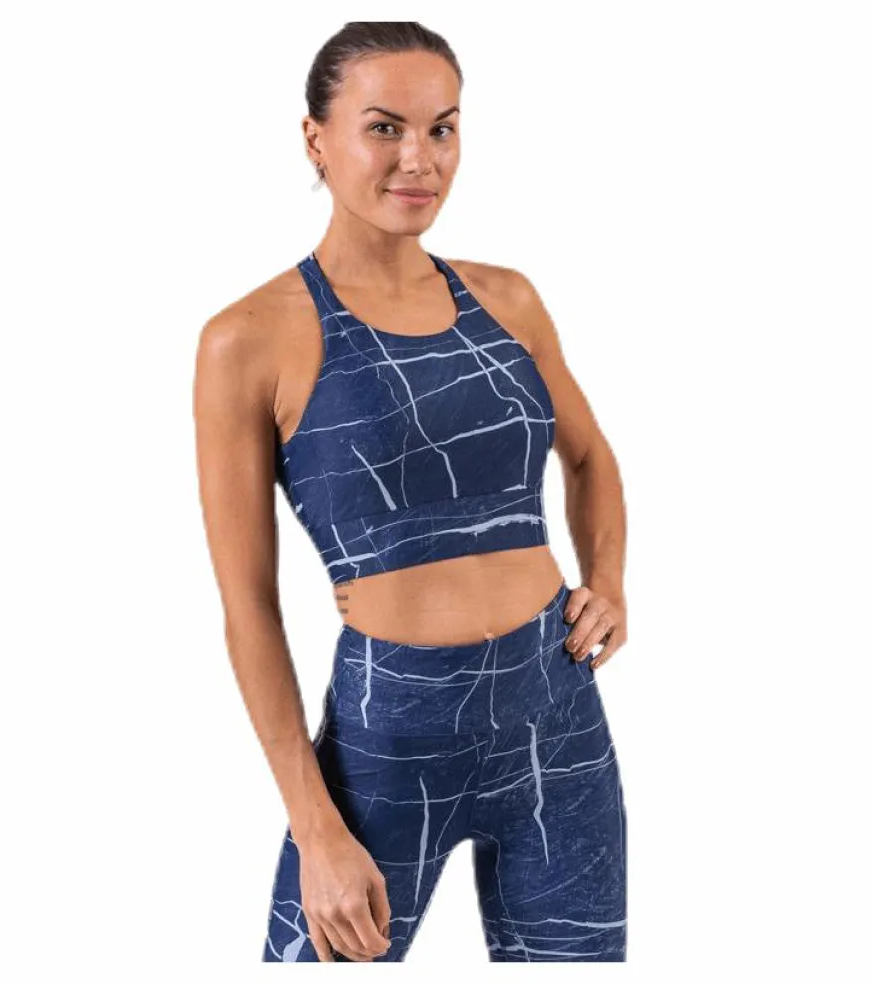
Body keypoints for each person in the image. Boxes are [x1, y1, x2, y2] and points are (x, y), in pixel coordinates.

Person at [193, 21, 628, 963]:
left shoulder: (508, 300)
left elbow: (590, 457)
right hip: (389, 738)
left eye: (443, 128)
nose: (419, 160)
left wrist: (610, 581)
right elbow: (248, 608)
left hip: (557, 717)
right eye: (384, 128)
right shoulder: (248, 339)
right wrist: (314, 828)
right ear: (316, 139)